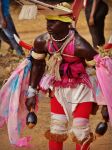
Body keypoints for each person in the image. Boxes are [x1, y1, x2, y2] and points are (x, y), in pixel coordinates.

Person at [0, 2, 109, 150]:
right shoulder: (42, 41)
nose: (48, 25)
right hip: (57, 87)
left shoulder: (80, 46)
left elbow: (100, 72)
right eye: (48, 21)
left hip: (82, 90)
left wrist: (106, 102)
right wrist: (32, 91)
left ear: (66, 24)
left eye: (53, 21)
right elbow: (38, 65)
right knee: (56, 130)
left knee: (80, 131)